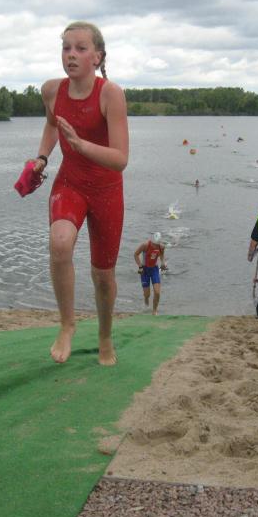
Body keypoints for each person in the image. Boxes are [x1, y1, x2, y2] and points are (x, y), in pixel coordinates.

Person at [30, 21, 129, 366]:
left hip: (106, 191)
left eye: (80, 49)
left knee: (103, 276)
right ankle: (67, 324)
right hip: (70, 183)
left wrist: (80, 144)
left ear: (97, 57)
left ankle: (105, 336)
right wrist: (43, 157)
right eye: (66, 48)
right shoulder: (51, 91)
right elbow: (52, 124)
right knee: (59, 244)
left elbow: (121, 159)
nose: (71, 55)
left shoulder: (110, 94)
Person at [134, 232, 167, 315]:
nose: (155, 246)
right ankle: (146, 305)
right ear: (151, 241)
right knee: (147, 294)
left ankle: (154, 311)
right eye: (153, 244)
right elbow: (136, 254)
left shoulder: (161, 247)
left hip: (154, 270)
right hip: (144, 270)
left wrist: (163, 263)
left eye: (156, 245)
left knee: (157, 292)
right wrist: (140, 266)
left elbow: (162, 255)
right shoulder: (145, 245)